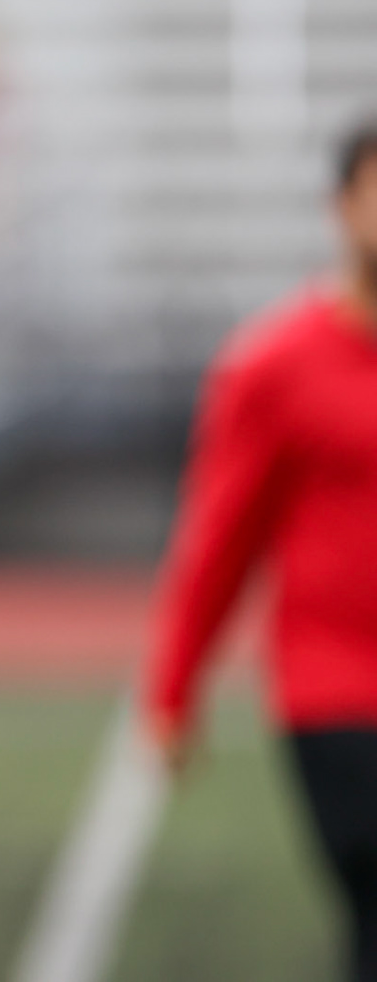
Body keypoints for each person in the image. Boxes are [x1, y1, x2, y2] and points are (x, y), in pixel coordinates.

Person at [143, 116, 377, 981]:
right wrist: (174, 688)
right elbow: (219, 539)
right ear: (340, 206)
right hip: (338, 694)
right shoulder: (274, 366)